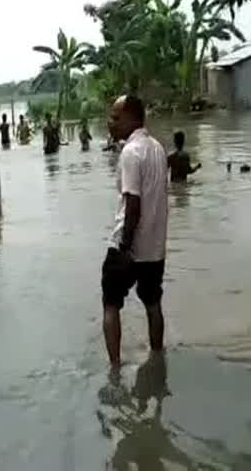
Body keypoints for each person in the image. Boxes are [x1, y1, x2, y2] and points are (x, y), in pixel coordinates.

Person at [101, 95, 169, 367]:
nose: (111, 123)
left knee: (110, 305)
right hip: (154, 248)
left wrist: (125, 246)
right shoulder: (157, 149)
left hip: (128, 245)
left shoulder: (131, 152)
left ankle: (115, 368)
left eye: (116, 118)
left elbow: (133, 203)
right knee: (153, 304)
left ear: (132, 118)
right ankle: (157, 357)